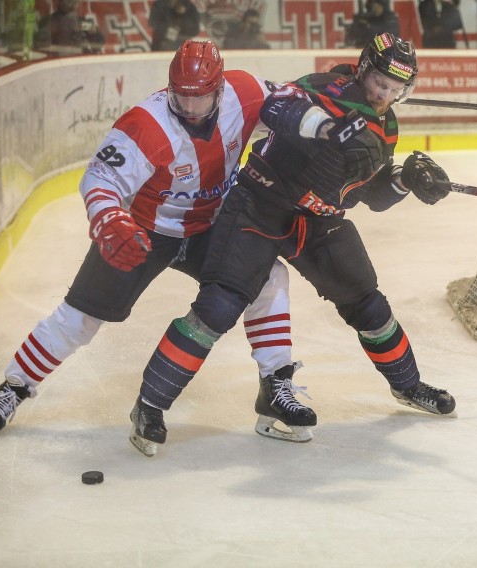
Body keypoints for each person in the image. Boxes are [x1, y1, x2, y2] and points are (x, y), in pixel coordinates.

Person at [129, 32, 457, 454]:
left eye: (394, 90)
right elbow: (275, 106)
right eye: (379, 82)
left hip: (318, 222)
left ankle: (408, 386)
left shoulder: (387, 125)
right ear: (363, 69)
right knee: (219, 305)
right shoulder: (325, 88)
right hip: (259, 205)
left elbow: (368, 197)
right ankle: (149, 406)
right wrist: (331, 129)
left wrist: (405, 181)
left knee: (368, 303)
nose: (383, 94)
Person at [0, 41, 296, 451]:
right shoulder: (146, 123)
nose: (191, 108)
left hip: (211, 226)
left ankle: (277, 382)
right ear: (169, 88)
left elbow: (293, 103)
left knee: (268, 275)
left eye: (201, 97)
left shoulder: (246, 91)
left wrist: (333, 106)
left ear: (219, 87)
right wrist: (110, 219)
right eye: (182, 96)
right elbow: (100, 180)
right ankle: (14, 387)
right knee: (81, 316)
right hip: (145, 232)